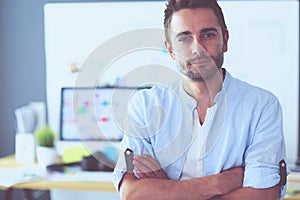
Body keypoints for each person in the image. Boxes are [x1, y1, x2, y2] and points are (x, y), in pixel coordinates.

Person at [112, 0, 288, 199]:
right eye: (184, 38)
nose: (198, 49)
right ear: (170, 50)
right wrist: (221, 182)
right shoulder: (144, 106)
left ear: (226, 40)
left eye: (208, 35)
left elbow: (263, 195)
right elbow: (132, 193)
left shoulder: (262, 106)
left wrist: (167, 190)